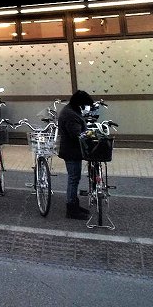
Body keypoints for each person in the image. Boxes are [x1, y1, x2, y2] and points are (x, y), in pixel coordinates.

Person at [57, 90, 94, 220]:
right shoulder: (70, 115)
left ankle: (74, 205)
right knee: (73, 179)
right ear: (80, 104)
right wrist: (88, 135)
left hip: (71, 151)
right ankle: (71, 209)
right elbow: (76, 135)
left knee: (74, 178)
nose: (86, 108)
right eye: (85, 105)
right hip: (71, 151)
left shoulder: (71, 110)